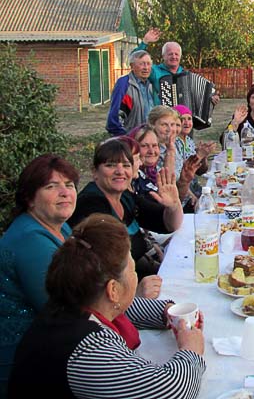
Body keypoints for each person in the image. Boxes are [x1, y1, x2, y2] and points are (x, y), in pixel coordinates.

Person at [9, 214, 206, 398]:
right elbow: (171, 391)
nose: (135, 276)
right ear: (113, 289)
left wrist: (167, 313)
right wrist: (191, 350)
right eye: (132, 269)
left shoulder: (76, 301)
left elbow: (122, 309)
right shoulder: (87, 350)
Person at [0, 155, 78, 393]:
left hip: (49, 347)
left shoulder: (60, 226)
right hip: (23, 364)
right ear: (29, 199)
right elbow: (66, 310)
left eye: (70, 185)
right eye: (51, 186)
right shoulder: (30, 239)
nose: (64, 192)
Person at [68, 140, 183, 278]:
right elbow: (106, 267)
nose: (120, 171)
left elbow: (169, 225)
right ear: (95, 172)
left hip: (139, 275)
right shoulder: (91, 205)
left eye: (126, 165)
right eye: (110, 165)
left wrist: (173, 206)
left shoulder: (125, 197)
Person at [135, 28, 220, 123]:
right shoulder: (155, 71)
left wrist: (211, 99)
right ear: (163, 56)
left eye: (176, 54)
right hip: (162, 121)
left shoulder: (186, 75)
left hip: (184, 124)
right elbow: (135, 60)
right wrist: (145, 42)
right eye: (170, 54)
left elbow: (200, 100)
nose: (174, 57)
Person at [106, 50, 158, 136]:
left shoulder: (152, 85)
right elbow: (115, 118)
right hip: (131, 139)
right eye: (142, 64)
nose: (146, 67)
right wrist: (127, 138)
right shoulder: (124, 84)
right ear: (132, 66)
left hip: (150, 139)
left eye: (148, 64)